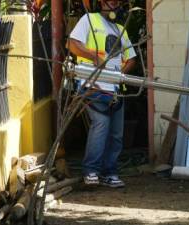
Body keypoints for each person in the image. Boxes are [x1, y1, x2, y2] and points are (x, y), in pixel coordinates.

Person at [68, 0, 136, 188]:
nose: (113, 4)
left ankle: (110, 172)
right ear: (101, 3)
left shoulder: (121, 29)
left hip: (115, 89)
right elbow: (73, 44)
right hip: (93, 85)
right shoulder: (89, 20)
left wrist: (121, 73)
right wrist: (94, 57)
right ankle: (91, 171)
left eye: (116, 2)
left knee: (116, 134)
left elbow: (131, 58)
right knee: (101, 125)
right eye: (109, 1)